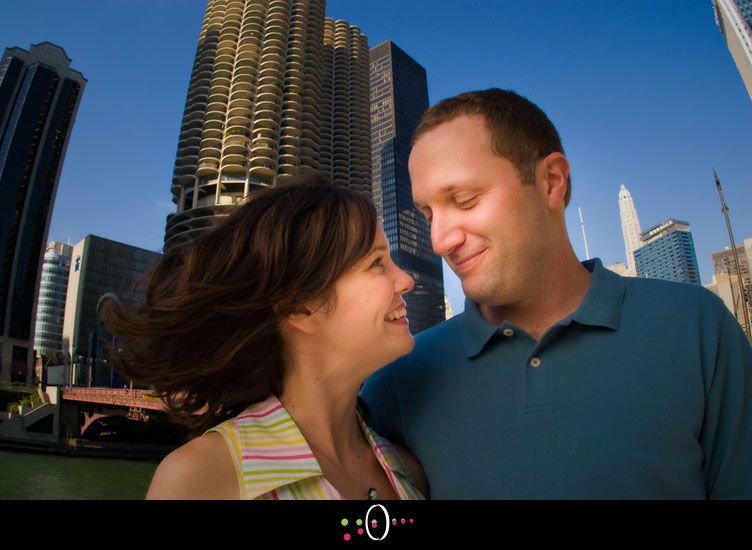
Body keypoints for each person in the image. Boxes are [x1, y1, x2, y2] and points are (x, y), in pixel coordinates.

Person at [361, 88, 752, 499]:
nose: (440, 240)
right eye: (428, 214)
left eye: (465, 200)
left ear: (550, 182)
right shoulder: (398, 380)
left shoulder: (697, 328)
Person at [103, 173, 427, 500]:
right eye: (376, 263)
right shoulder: (201, 479)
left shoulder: (408, 471)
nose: (406, 280)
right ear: (300, 307)